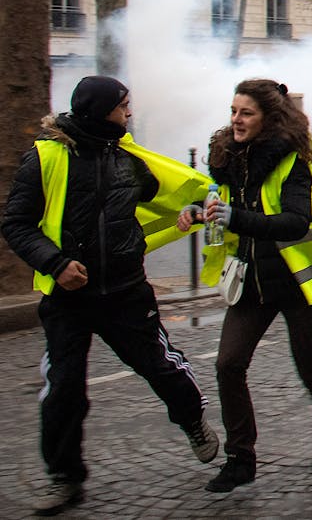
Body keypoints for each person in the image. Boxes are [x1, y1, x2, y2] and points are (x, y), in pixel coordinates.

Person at [2, 76, 218, 516]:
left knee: (161, 368)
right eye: (123, 106)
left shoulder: (128, 160)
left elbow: (170, 198)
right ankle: (64, 478)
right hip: (67, 299)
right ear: (100, 111)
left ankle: (192, 417)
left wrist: (193, 211)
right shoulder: (44, 158)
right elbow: (16, 223)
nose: (129, 113)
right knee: (63, 389)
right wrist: (56, 264)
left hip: (125, 292)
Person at [177, 79, 312, 493]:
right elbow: (221, 202)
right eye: (233, 111)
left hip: (299, 281)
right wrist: (197, 211)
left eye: (246, 113)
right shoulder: (227, 157)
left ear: (267, 118)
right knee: (228, 365)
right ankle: (241, 459)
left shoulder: (292, 161)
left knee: (310, 368)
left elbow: (294, 222)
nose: (236, 120)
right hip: (251, 281)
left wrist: (235, 218)